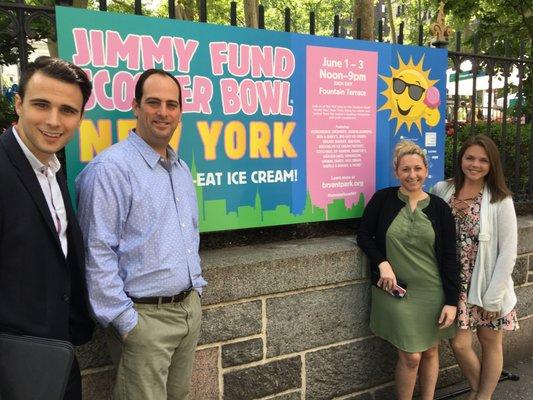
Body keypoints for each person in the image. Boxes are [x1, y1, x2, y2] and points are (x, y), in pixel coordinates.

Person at [76, 68, 206, 400]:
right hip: (144, 320)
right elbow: (96, 252)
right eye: (153, 102)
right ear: (136, 106)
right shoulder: (110, 170)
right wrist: (126, 321)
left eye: (172, 104)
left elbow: (187, 232)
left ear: (180, 112)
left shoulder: (179, 167)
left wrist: (197, 292)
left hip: (187, 311)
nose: (163, 112)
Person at [0, 56, 94, 399]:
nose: (54, 121)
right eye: (42, 105)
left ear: (80, 117)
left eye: (68, 110)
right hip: (12, 370)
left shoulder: (52, 167)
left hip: (56, 356)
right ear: (19, 103)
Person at [357, 140, 459, 400]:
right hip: (395, 289)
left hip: (432, 290)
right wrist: (382, 263)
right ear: (396, 172)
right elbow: (364, 236)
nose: (412, 175)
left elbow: (449, 257)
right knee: (411, 355)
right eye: (405, 169)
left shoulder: (439, 208)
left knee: (432, 351)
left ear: (426, 169)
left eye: (417, 168)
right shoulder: (383, 200)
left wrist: (451, 301)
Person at [433, 135, 518, 400]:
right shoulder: (442, 189)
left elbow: (508, 253)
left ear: (492, 165)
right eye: (470, 157)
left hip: (486, 282)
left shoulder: (500, 200)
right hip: (453, 281)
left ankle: (483, 396)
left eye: (483, 160)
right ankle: (475, 387)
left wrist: (493, 298)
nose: (475, 164)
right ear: (460, 159)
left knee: (490, 341)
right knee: (458, 342)